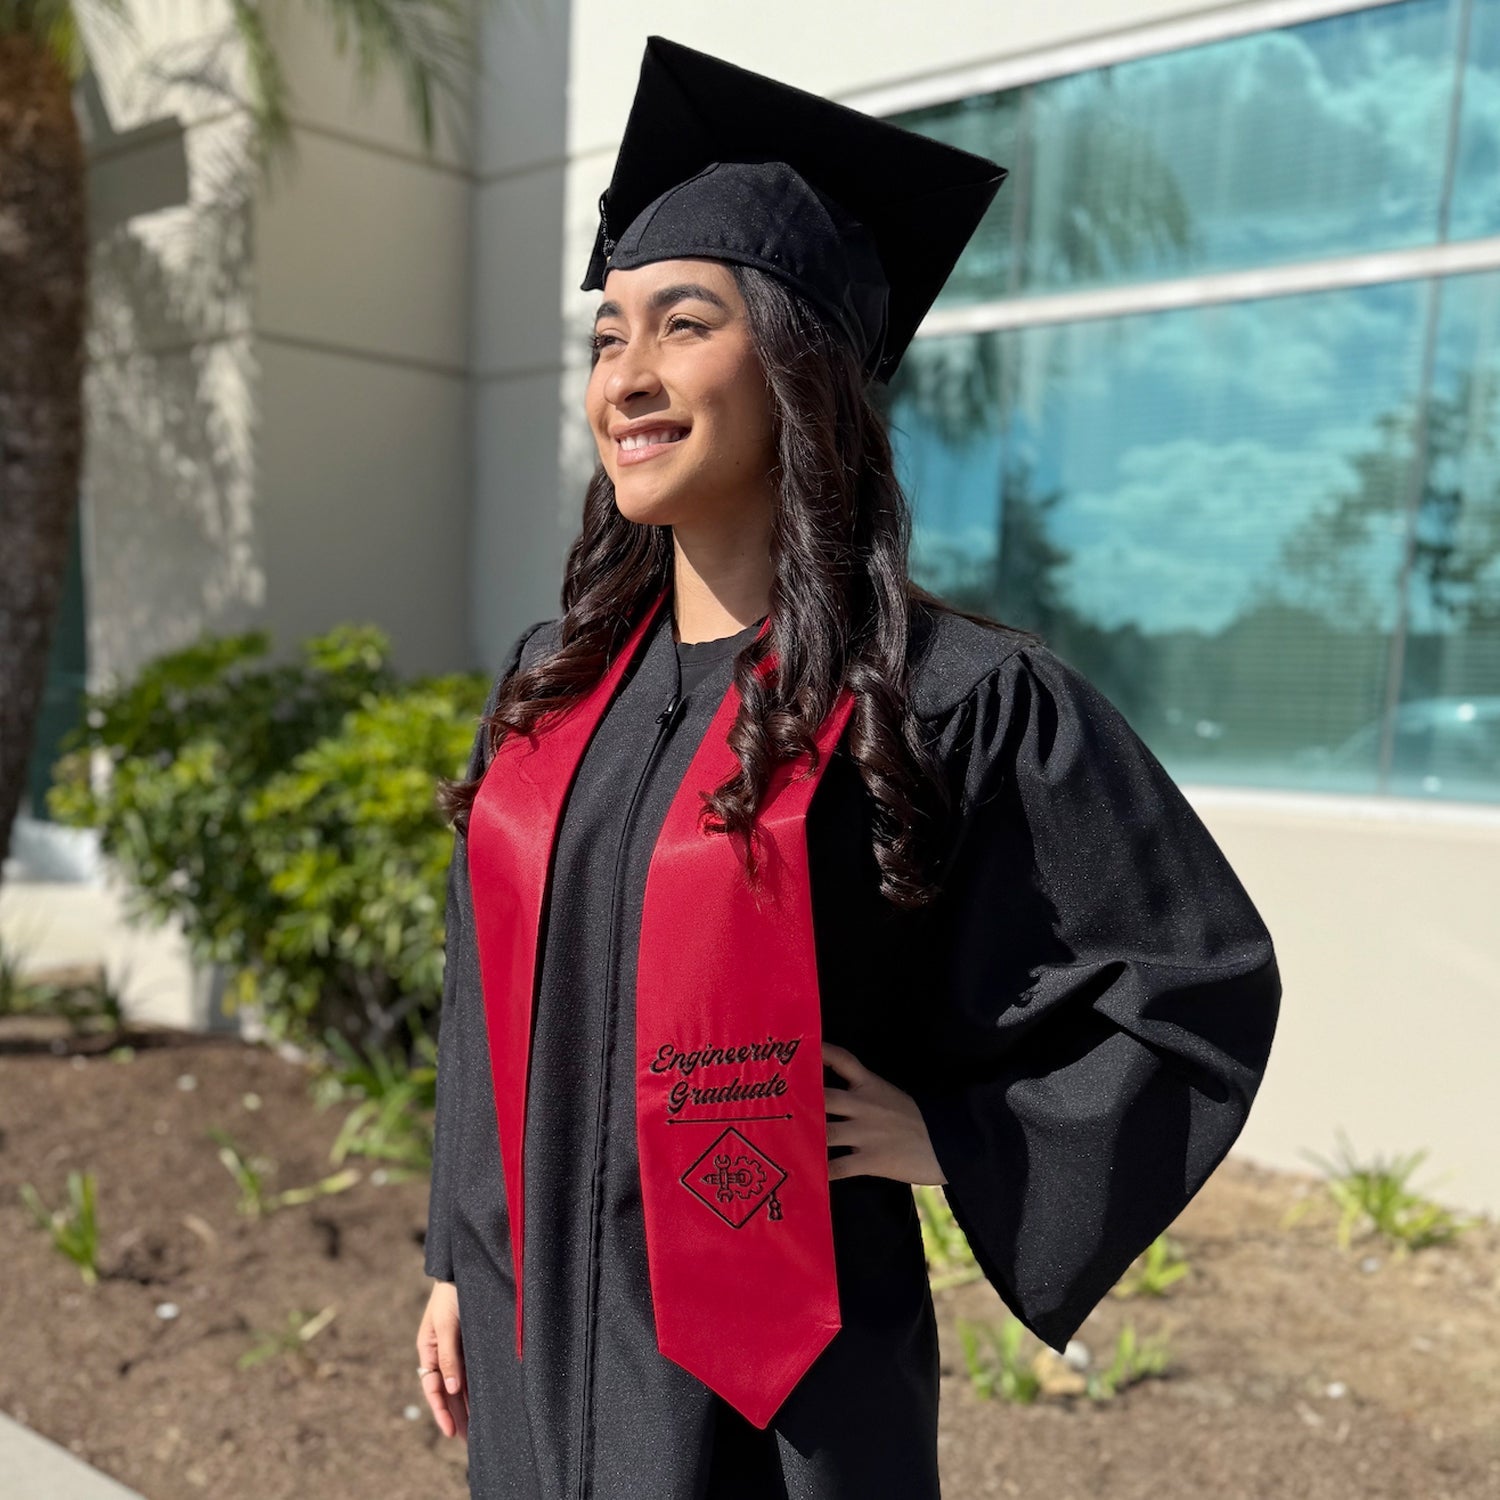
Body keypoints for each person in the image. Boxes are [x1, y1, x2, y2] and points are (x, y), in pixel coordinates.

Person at [414, 34, 1281, 1500]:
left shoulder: (952, 700)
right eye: (607, 335)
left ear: (802, 364)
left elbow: (1190, 986)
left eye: (682, 324)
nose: (626, 372)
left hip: (778, 1403)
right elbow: (485, 989)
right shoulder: (551, 694)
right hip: (529, 1341)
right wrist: (454, 1258)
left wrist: (955, 1134)